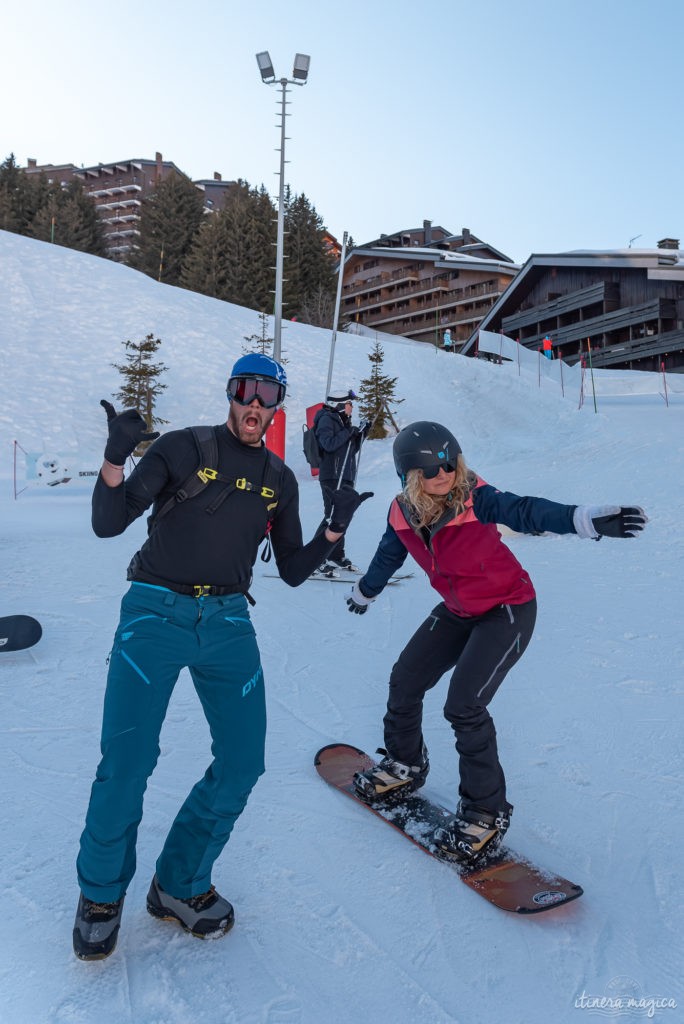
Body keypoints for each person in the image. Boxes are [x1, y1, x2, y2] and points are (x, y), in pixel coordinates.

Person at [73, 353, 371, 961]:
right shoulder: (182, 448)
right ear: (231, 393)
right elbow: (109, 523)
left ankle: (178, 884)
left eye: (268, 394)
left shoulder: (280, 479)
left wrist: (332, 533)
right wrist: (114, 456)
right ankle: (101, 896)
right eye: (246, 390)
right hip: (154, 613)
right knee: (128, 760)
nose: (255, 404)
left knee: (242, 762)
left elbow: (290, 572)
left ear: (278, 404)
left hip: (229, 621)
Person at [345, 421, 647, 863]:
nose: (444, 474)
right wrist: (366, 590)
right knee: (405, 680)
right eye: (431, 470)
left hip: (507, 609)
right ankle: (405, 763)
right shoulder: (400, 512)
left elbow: (525, 510)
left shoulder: (475, 498)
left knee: (463, 705)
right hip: (458, 609)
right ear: (410, 477)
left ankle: (485, 813)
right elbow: (390, 553)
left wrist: (582, 519)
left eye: (449, 463)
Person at [313, 390, 370, 574]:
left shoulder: (343, 422)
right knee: (331, 515)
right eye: (349, 404)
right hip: (332, 475)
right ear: (339, 404)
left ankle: (335, 554)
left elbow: (348, 452)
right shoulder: (326, 419)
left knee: (343, 515)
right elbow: (328, 444)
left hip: (345, 475)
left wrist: (361, 434)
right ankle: (315, 557)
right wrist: (348, 432)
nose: (352, 407)